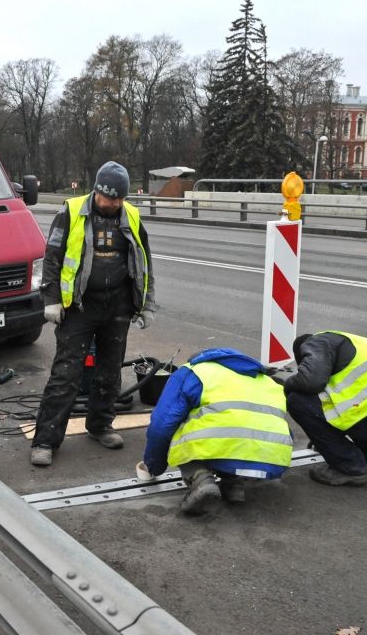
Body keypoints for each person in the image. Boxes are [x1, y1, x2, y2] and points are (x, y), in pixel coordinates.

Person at [30, 161, 157, 467]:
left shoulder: (131, 216)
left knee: (109, 372)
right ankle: (45, 440)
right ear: (96, 190)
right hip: (79, 308)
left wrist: (147, 304)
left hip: (118, 306)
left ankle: (100, 424)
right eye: (107, 197)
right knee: (66, 374)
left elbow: (145, 263)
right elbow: (53, 257)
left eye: (118, 199)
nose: (112, 203)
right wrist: (51, 299)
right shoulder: (71, 212)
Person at [141, 348, 293, 515]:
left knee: (178, 424)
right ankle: (234, 484)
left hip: (224, 446)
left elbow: (161, 425)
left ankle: (201, 479)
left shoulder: (194, 371)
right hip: (274, 457)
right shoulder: (267, 381)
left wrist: (154, 466)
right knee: (238, 425)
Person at [279, 331, 367, 486]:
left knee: (298, 400)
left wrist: (287, 386)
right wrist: (325, 440)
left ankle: (350, 467)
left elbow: (310, 382)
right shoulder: (357, 343)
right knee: (352, 407)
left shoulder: (316, 343)